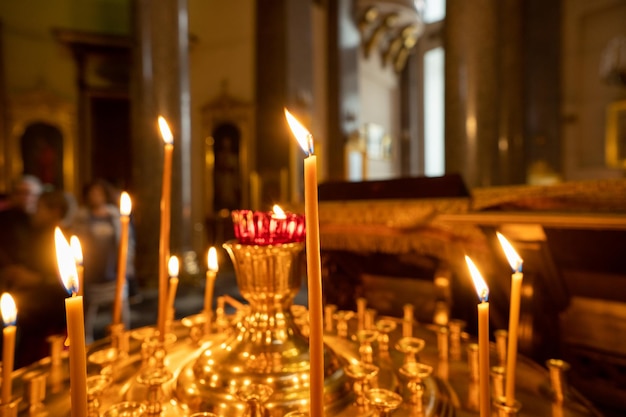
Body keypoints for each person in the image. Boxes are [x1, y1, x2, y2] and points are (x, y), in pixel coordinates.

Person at [0, 189, 69, 367]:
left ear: (55, 211)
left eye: (39, 208)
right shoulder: (35, 235)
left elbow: (64, 284)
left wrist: (34, 279)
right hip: (34, 315)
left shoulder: (63, 238)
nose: (35, 212)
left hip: (51, 316)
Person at [71, 179, 134, 342]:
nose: (96, 197)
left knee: (120, 307)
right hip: (93, 270)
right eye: (92, 194)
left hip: (113, 268)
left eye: (99, 193)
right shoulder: (82, 217)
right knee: (87, 309)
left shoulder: (114, 216)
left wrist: (127, 263)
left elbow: (126, 241)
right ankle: (84, 341)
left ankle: (120, 338)